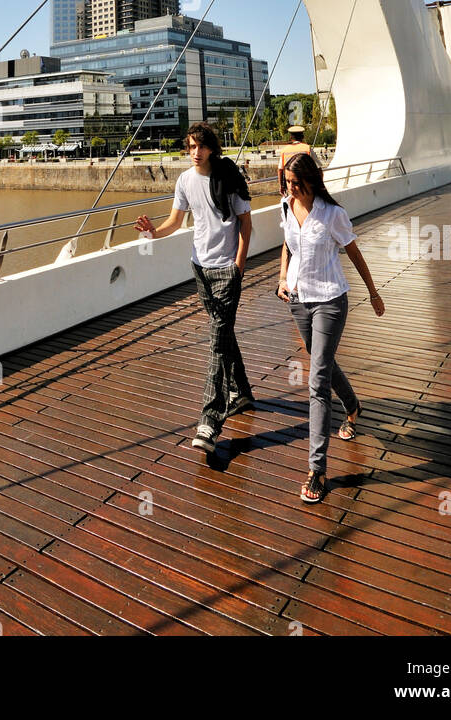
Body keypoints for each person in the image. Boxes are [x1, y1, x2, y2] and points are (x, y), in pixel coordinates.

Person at [135, 122, 254, 455]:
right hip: (200, 269)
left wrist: (238, 265)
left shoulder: (228, 177)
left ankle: (210, 421)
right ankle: (241, 391)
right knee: (223, 334)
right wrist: (151, 233)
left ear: (211, 148)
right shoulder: (185, 180)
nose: (195, 152)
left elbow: (246, 221)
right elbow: (175, 222)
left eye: (200, 146)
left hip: (226, 270)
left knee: (216, 343)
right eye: (190, 146)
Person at [278, 151, 385, 503]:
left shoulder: (333, 214)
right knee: (323, 363)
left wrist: (373, 293)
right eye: (288, 184)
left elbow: (353, 252)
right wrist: (282, 278)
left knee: (316, 381)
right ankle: (353, 407)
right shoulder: (287, 205)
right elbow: (288, 244)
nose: (292, 190)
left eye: (297, 184)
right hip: (298, 300)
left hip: (329, 300)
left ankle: (317, 469)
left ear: (312, 180)